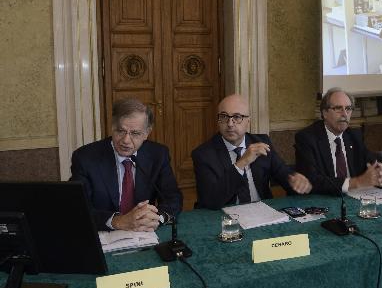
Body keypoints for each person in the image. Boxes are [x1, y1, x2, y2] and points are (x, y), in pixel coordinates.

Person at [70, 98, 182, 231]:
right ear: (112, 128)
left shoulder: (157, 154)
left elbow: (172, 197)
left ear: (147, 133)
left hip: (143, 234)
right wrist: (117, 221)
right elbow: (78, 208)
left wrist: (157, 219)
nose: (126, 140)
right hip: (105, 235)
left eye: (135, 133)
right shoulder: (85, 158)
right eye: (120, 131)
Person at [192, 94, 312, 210]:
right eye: (224, 117)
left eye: (237, 117)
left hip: (262, 213)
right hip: (225, 219)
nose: (229, 124)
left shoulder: (262, 142)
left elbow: (282, 172)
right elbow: (210, 201)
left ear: (248, 122)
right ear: (218, 120)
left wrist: (295, 180)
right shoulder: (204, 154)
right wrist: (241, 163)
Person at [295, 88, 382, 196]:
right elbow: (311, 180)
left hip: (354, 198)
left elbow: (372, 164)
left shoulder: (353, 136)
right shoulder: (307, 138)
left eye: (348, 108)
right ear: (325, 113)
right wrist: (356, 182)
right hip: (323, 201)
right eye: (338, 108)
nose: (345, 114)